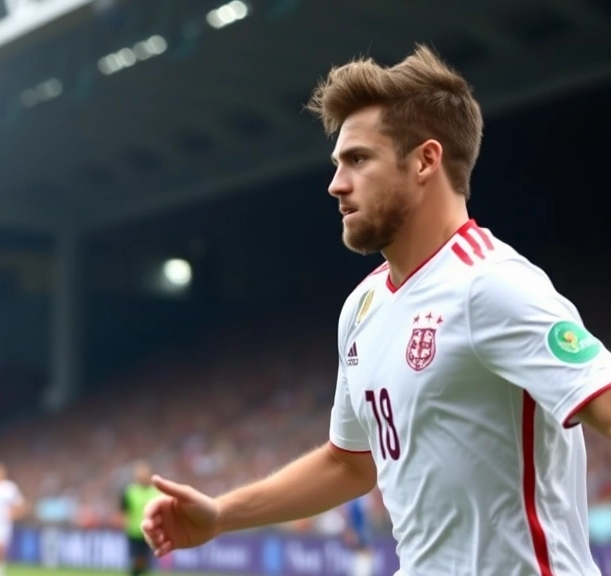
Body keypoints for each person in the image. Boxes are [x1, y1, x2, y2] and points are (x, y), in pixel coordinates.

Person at [140, 44, 611, 575]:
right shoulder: (362, 307)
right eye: (338, 163)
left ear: (425, 160)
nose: (336, 184)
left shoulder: (490, 284)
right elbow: (347, 464)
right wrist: (223, 514)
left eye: (359, 159)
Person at [118, 460, 161, 576]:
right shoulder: (130, 492)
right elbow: (123, 510)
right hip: (134, 533)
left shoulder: (155, 492)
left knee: (145, 562)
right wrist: (124, 524)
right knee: (137, 561)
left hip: (150, 533)